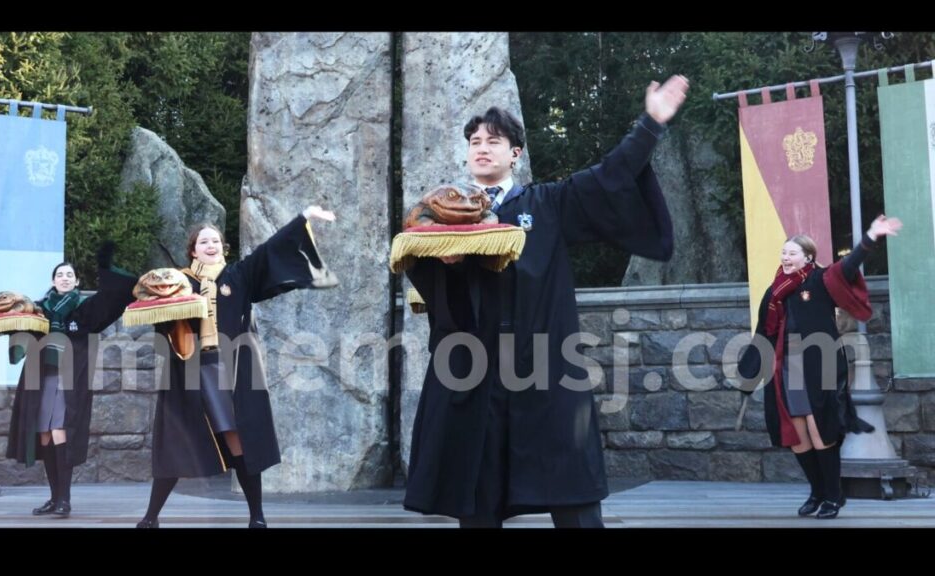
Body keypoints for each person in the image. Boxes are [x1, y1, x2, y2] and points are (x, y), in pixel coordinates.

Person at [403, 75, 689, 528]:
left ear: (515, 153)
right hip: (474, 373)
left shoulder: (548, 204)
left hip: (544, 369)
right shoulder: (442, 218)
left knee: (573, 498)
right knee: (477, 506)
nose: (482, 148)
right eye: (475, 142)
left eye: (493, 141)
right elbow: (434, 288)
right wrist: (444, 259)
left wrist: (650, 123)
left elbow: (608, 178)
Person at [136, 206, 338, 528]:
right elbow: (161, 320)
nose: (211, 245)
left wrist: (303, 217)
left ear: (223, 247)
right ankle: (150, 517)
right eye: (204, 242)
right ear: (193, 250)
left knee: (238, 440)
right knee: (177, 443)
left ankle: (257, 516)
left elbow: (270, 249)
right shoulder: (179, 282)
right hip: (190, 373)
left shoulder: (238, 275)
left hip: (231, 371)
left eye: (215, 241)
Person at [738, 215, 901, 519]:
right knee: (797, 436)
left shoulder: (822, 279)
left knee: (821, 431)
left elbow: (849, 265)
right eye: (783, 253)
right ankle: (817, 492)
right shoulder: (775, 292)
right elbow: (764, 334)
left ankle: (833, 496)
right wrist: (748, 375)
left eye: (792, 253)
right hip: (787, 368)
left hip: (821, 364)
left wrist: (871, 236)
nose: (785, 257)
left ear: (808, 257)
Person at [6, 243, 137, 518]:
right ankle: (54, 498)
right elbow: (14, 325)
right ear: (53, 281)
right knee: (44, 434)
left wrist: (105, 267)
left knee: (60, 430)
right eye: (60, 275)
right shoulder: (39, 309)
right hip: (41, 377)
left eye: (69, 275)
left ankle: (64, 500)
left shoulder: (85, 308)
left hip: (69, 379)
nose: (64, 278)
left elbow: (113, 297)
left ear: (77, 282)